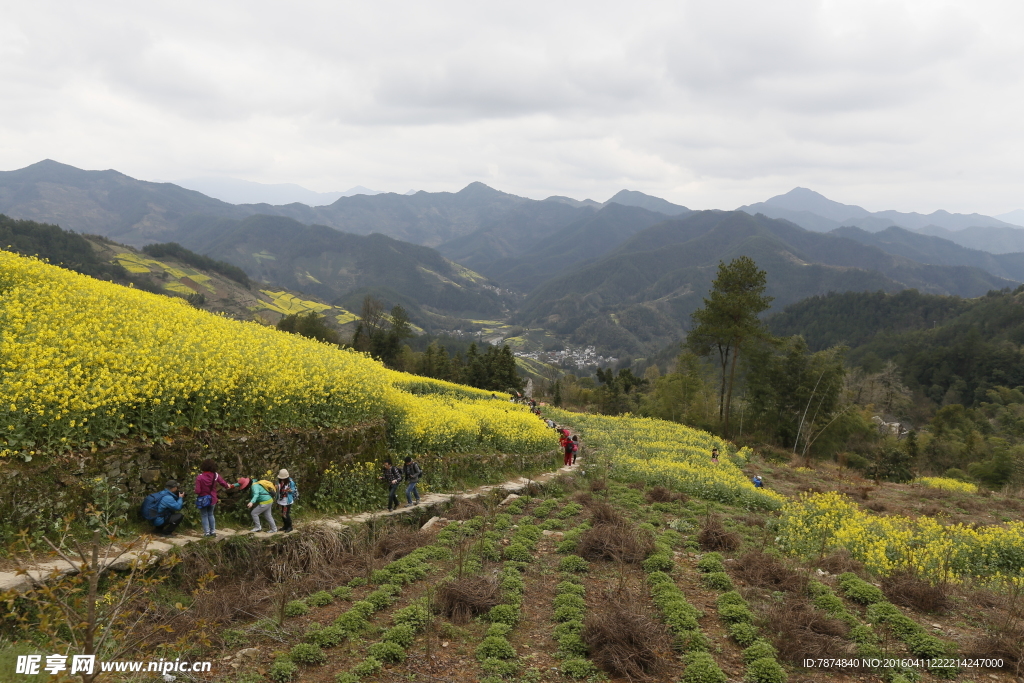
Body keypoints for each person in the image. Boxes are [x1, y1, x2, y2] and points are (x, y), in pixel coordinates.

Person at [194, 459, 236, 538]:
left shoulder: (199, 477)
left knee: (204, 515)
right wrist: (229, 486)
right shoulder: (216, 475)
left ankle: (206, 533)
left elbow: (198, 491)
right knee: (211, 514)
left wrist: (195, 491)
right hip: (213, 498)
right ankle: (213, 531)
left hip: (203, 499)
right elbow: (224, 484)